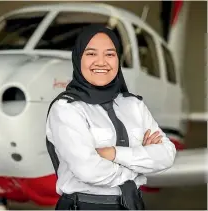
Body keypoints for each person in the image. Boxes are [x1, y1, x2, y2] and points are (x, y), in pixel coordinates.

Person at [45, 24, 176, 210]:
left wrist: (114, 154)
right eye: (91, 54)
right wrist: (140, 165)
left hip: (133, 204)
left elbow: (167, 155)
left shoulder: (134, 105)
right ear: (78, 59)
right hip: (85, 206)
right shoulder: (66, 109)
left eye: (110, 54)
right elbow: (89, 170)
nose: (101, 62)